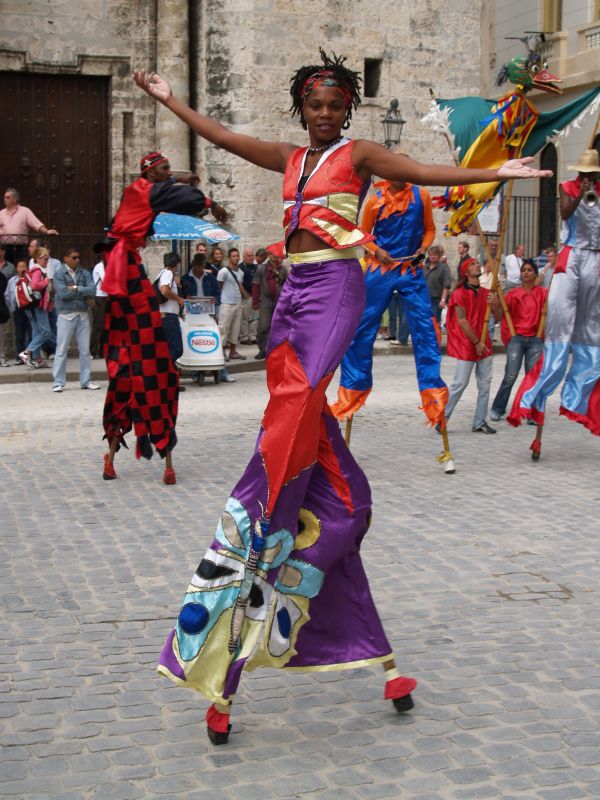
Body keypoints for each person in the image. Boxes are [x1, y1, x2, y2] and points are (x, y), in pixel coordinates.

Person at [133, 51, 550, 744]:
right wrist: (171, 100)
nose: (324, 114)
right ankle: (376, 646)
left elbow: (423, 173)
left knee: (292, 417)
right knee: (329, 487)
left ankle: (259, 501)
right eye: (314, 106)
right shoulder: (292, 160)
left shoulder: (359, 155)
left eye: (334, 105)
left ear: (346, 110)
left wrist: (493, 174)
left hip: (335, 288)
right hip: (292, 295)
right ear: (301, 108)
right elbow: (223, 136)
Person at [100, 150, 228, 486]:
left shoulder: (143, 193)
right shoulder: (145, 190)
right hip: (125, 278)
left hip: (125, 282)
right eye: (165, 169)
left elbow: (170, 189)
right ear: (151, 172)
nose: (170, 173)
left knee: (134, 374)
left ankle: (116, 458)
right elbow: (184, 197)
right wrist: (210, 201)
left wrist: (180, 179)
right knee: (151, 373)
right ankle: (158, 456)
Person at [332, 163, 444, 426]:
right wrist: (375, 251)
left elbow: (429, 229)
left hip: (409, 269)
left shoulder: (422, 196)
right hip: (379, 269)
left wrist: (423, 249)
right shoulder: (374, 202)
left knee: (426, 330)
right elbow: (362, 235)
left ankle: (434, 398)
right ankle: (351, 395)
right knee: (361, 328)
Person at [509, 149, 600, 438]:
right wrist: (579, 195)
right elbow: (563, 214)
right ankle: (539, 389)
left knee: (591, 329)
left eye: (593, 175)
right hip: (572, 255)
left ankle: (578, 397)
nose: (589, 178)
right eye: (585, 174)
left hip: (595, 258)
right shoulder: (568, 187)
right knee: (560, 323)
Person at [444, 260, 503, 433]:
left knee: (485, 385)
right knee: (459, 383)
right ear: (466, 272)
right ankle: (443, 418)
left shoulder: (487, 293)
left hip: (485, 343)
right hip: (467, 344)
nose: (477, 266)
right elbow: (461, 320)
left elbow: (498, 317)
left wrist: (496, 304)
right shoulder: (459, 294)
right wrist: (476, 342)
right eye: (473, 265)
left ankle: (479, 421)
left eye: (478, 264)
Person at [490, 261, 547, 421]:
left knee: (533, 377)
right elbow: (501, 315)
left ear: (535, 274)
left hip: (535, 340)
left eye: (530, 270)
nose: (526, 273)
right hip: (517, 339)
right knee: (510, 375)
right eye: (524, 270)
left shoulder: (543, 293)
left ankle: (530, 412)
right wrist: (494, 304)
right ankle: (498, 408)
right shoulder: (513, 293)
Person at [51, 248, 100, 393]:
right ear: (66, 258)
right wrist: (82, 292)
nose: (77, 260)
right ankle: (58, 382)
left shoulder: (84, 273)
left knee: (85, 351)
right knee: (61, 349)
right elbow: (63, 294)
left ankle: (85, 381)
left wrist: (76, 288)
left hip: (83, 314)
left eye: (78, 257)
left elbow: (93, 290)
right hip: (66, 314)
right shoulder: (59, 274)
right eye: (74, 257)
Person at [20, 247, 57, 368]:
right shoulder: (38, 271)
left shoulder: (36, 270)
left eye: (48, 259)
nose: (47, 261)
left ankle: (38, 360)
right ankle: (27, 353)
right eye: (45, 259)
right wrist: (46, 282)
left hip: (33, 307)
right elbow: (35, 285)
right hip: (38, 306)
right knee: (46, 332)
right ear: (38, 259)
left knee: (37, 332)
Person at [0, 188, 58, 265]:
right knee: (6, 269)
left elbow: (36, 224)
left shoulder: (25, 211)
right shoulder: (1, 213)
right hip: (5, 248)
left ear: (15, 199)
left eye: (8, 197)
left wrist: (47, 231)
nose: (5, 199)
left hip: (20, 248)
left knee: (21, 268)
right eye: (4, 197)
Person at [252, 250, 289, 359]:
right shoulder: (261, 269)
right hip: (265, 301)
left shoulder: (283, 269)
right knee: (263, 327)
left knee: (279, 327)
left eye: (275, 253)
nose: (273, 255)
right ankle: (262, 350)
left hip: (279, 301)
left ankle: (276, 349)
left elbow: (288, 285)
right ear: (269, 255)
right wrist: (255, 301)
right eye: (271, 253)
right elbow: (255, 285)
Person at [158, 252, 185, 389]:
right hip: (168, 318)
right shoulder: (167, 273)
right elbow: (164, 291)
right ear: (177, 263)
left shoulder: (164, 274)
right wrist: (179, 299)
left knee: (169, 350)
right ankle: (166, 379)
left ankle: (169, 381)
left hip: (166, 317)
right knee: (176, 349)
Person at [217, 246, 248, 361]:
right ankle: (222, 351)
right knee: (224, 329)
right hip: (227, 304)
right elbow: (219, 285)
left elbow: (239, 286)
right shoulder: (223, 271)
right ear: (229, 258)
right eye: (233, 256)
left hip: (237, 303)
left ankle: (233, 351)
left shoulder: (240, 272)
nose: (236, 258)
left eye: (237, 256)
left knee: (235, 329)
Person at [6, 259, 31, 363]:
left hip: (30, 309)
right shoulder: (12, 281)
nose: (22, 269)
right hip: (18, 309)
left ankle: (29, 355)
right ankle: (21, 356)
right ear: (16, 269)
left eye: (24, 266)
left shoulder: (30, 279)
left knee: (31, 332)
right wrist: (12, 307)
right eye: (19, 267)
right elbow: (7, 295)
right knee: (19, 333)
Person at [91, 241, 110, 358]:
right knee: (98, 326)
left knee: (107, 326)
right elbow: (106, 280)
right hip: (100, 297)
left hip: (108, 297)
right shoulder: (100, 266)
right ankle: (92, 350)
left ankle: (103, 351)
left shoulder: (108, 266)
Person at [424, 244, 451, 323]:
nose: (433, 257)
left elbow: (446, 285)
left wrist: (443, 300)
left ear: (439, 256)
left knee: (434, 322)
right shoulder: (425, 267)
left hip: (436, 300)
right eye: (431, 255)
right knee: (425, 322)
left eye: (435, 255)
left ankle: (436, 335)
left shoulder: (443, 268)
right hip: (424, 299)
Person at [239, 245, 258, 344]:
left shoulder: (256, 267)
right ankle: (244, 337)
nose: (251, 257)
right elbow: (239, 282)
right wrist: (244, 293)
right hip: (246, 297)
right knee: (245, 317)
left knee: (255, 317)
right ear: (244, 257)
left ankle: (252, 336)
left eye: (252, 255)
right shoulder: (240, 268)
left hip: (256, 296)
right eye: (249, 255)